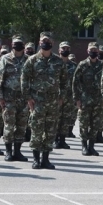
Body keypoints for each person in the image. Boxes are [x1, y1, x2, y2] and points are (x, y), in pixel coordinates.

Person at [21, 32, 67, 169]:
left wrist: (61, 97)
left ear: (52, 43)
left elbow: (65, 81)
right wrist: (28, 97)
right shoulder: (32, 60)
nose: (45, 43)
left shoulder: (58, 61)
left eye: (48, 40)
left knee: (50, 130)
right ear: (39, 42)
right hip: (37, 100)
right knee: (36, 129)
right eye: (43, 40)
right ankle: (36, 159)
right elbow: (24, 79)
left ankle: (45, 159)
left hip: (53, 101)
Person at [0, 35, 30, 162]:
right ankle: (8, 152)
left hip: (24, 99)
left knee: (21, 126)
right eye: (15, 43)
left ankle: (17, 151)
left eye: (20, 43)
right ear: (12, 44)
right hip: (9, 98)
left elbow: (32, 79)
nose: (17, 45)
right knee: (9, 126)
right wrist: (0, 97)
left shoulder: (28, 60)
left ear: (24, 44)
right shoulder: (5, 59)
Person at [73, 42, 103, 156]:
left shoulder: (102, 65)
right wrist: (77, 99)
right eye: (91, 50)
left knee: (95, 124)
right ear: (87, 51)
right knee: (84, 123)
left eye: (95, 50)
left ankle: (91, 146)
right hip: (85, 99)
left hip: (98, 100)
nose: (94, 52)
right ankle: (84, 146)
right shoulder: (82, 65)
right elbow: (75, 83)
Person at [55, 41, 77, 150]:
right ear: (59, 50)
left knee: (65, 119)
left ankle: (62, 140)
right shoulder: (54, 63)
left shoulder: (73, 66)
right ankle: (55, 139)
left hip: (69, 97)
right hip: (56, 96)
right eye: (63, 48)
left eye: (67, 49)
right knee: (55, 118)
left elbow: (77, 82)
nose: (65, 50)